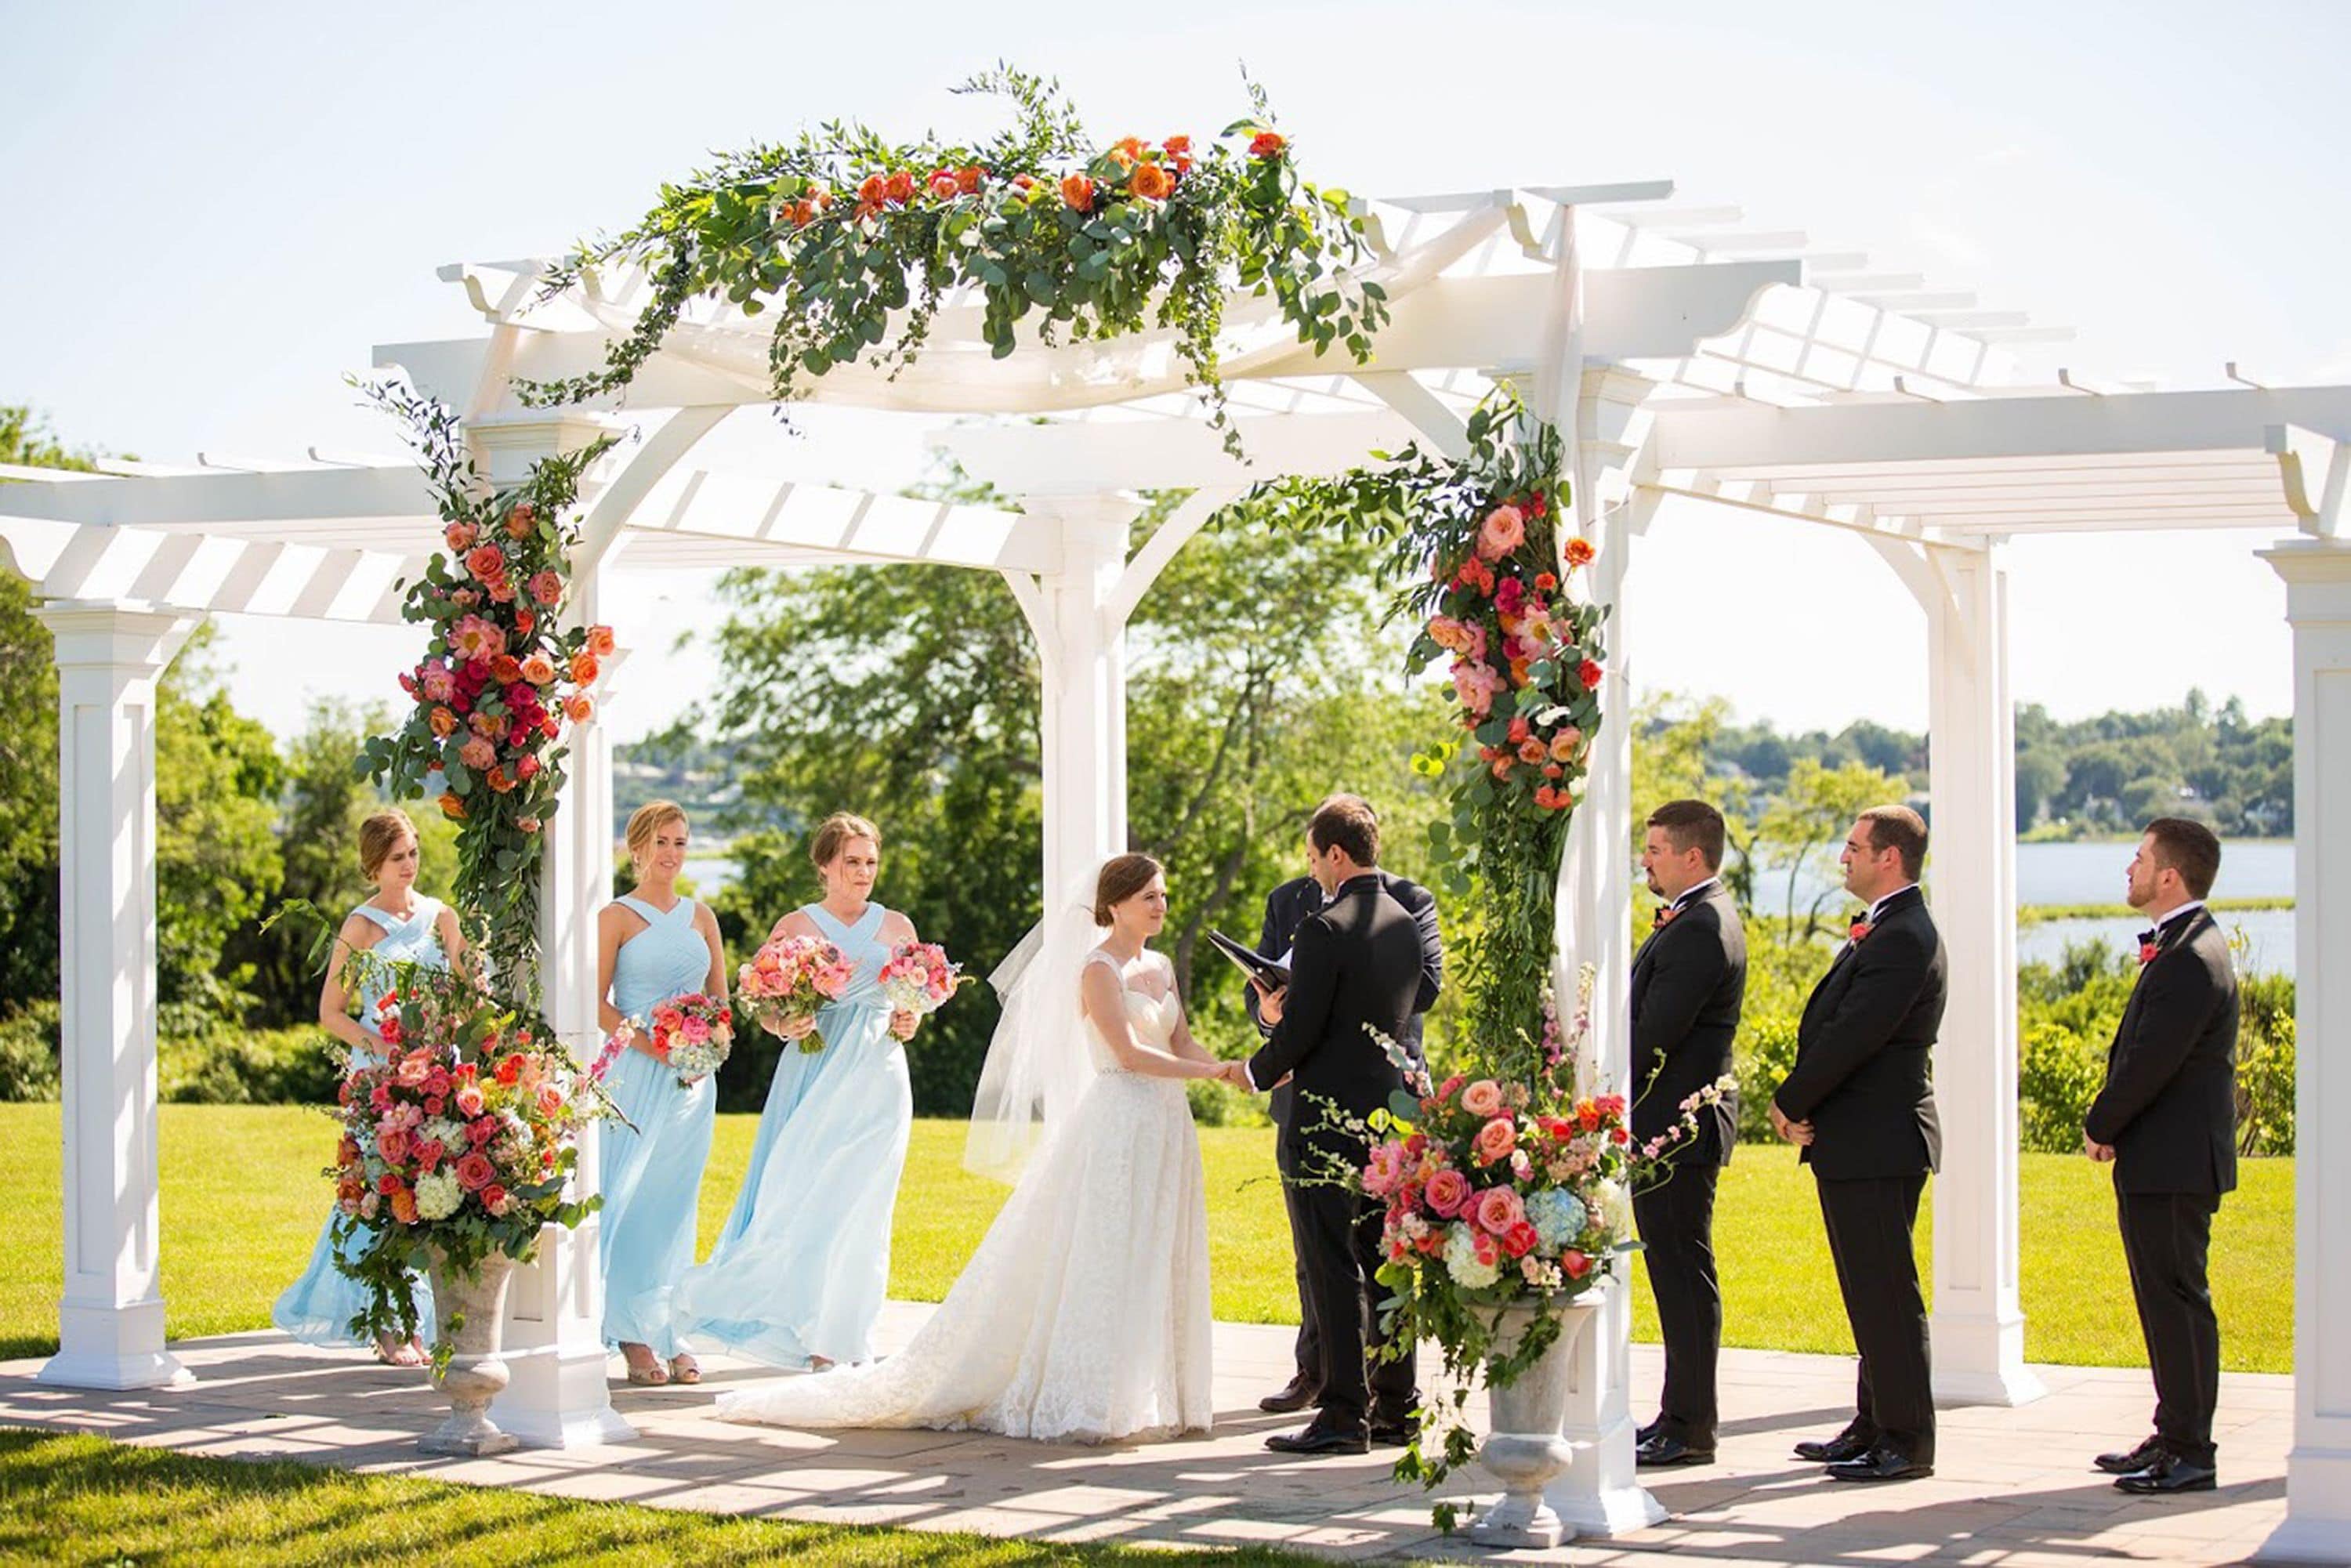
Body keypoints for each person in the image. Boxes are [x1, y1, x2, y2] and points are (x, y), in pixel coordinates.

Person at [715, 853, 1220, 1443]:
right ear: (1115, 904)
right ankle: (1092, 1394)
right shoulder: (1097, 969)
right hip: (1118, 1117)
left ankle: (1151, 1388)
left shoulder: (1160, 965)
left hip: (1167, 1122)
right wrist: (1217, 1075)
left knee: (1160, 1245)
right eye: (1149, 896)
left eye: (1162, 895)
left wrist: (1245, 1070)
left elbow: (1181, 1037)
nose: (1161, 905)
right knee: (1105, 1250)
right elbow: (1130, 1052)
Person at [674, 813, 923, 1368]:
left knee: (864, 1205)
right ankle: (766, 1307)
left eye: (871, 862)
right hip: (813, 1070)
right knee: (800, 1196)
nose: (863, 873)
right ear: (825, 864)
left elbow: (910, 1001)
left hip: (879, 1073)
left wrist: (910, 1022)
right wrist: (785, 1025)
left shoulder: (898, 926)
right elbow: (762, 1004)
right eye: (852, 862)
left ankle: (840, 1340)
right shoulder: (797, 925)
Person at [1229, 796, 1423, 1456]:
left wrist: (1254, 1070)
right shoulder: (1403, 922)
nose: (1312, 872)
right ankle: (1398, 1407)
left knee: (1332, 1263)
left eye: (1314, 858)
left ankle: (1344, 1414)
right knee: (1386, 1261)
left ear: (1337, 853)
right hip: (1385, 1118)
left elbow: (1304, 1030)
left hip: (1321, 1121)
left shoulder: (1322, 927)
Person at [1774, 805, 1943, 1483]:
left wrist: (1791, 1100)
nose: (1843, 857)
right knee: (1867, 1289)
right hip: (1859, 1139)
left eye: (1854, 847)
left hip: (1880, 1138)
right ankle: (1873, 1421)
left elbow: (1854, 1033)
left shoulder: (1904, 935)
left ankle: (1905, 1437)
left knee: (1887, 1292)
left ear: (1890, 858)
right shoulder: (1886, 929)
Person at [272, 809, 462, 1365]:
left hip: (434, 1069)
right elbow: (330, 1011)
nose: (409, 864)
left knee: (432, 1189)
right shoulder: (359, 927)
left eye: (414, 852)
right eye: (397, 856)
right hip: (379, 1075)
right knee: (381, 1190)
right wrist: (380, 1045)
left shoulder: (441, 916)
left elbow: (467, 989)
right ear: (373, 862)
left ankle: (426, 1318)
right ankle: (386, 1321)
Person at [2084, 818, 2237, 1495]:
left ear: (2169, 875)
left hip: (2174, 1162)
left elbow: (2151, 1062)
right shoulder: (2183, 946)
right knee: (2164, 1301)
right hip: (2163, 1158)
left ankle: (2190, 1450)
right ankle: (2173, 1429)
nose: (2130, 868)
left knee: (2177, 1302)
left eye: (2140, 858)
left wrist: (2101, 1121)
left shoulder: (2189, 957)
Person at [1629, 798, 1746, 1469]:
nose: (1645, 860)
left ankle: (1691, 1423)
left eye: (1655, 849)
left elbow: (1653, 1033)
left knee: (1683, 1272)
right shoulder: (1694, 917)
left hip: (1679, 1127)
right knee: (1674, 1271)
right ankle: (1679, 1415)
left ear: (1692, 856)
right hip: (1668, 1125)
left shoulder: (1702, 926)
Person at [594, 800, 726, 1386]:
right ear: (638, 847)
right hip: (635, 1071)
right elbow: (598, 1005)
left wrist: (707, 1046)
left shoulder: (703, 916)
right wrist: (656, 1045)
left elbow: (721, 1003)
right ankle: (630, 1332)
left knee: (676, 1205)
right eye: (663, 842)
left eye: (681, 842)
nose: (673, 853)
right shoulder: (616, 916)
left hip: (695, 1082)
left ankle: (671, 1327)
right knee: (633, 1199)